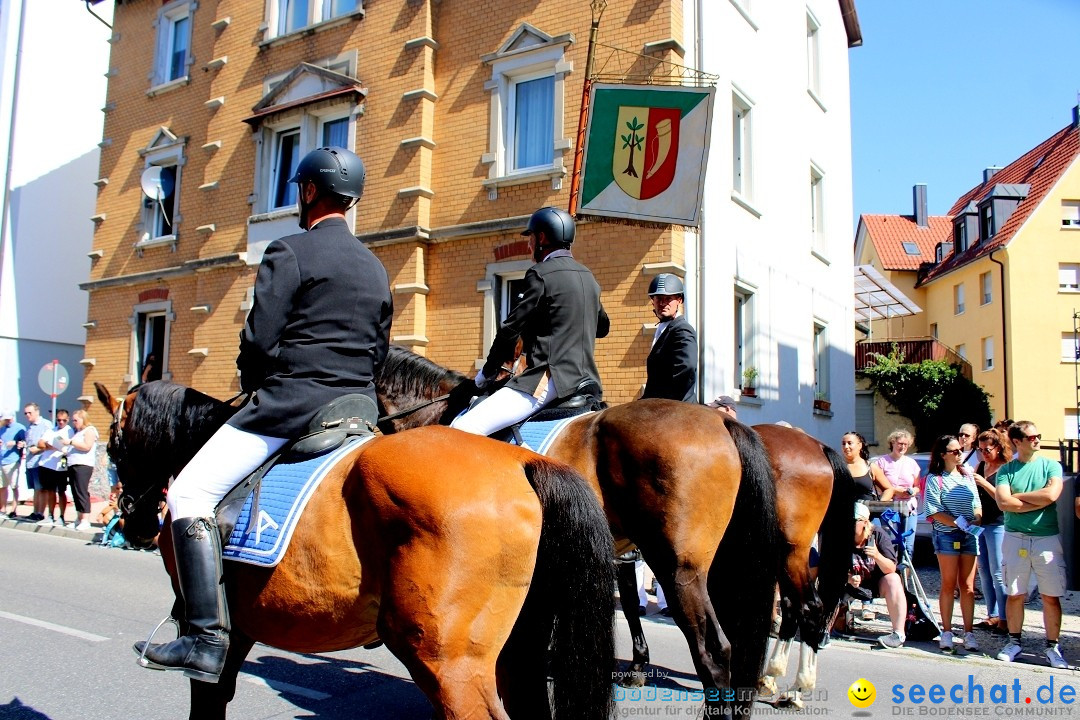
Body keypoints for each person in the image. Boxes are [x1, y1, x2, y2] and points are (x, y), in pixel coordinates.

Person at [134, 146, 393, 682]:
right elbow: (378, 352)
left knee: (190, 493)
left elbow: (258, 343)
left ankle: (205, 638)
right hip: (358, 410)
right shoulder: (374, 266)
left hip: (292, 407)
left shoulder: (289, 251)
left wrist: (256, 387)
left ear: (308, 191)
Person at [451, 207, 609, 436]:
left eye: (531, 238)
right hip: (588, 380)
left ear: (542, 238)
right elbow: (602, 328)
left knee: (462, 428)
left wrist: (486, 374)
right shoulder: (588, 276)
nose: (529, 245)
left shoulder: (540, 273)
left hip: (551, 379)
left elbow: (510, 330)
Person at [993, 422, 1068, 669]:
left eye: (1038, 435)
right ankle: (1014, 641)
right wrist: (1035, 500)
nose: (1037, 439)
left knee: (1051, 595)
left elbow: (1051, 495)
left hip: (1046, 537)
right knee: (1015, 593)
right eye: (1031, 436)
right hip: (1015, 537)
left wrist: (1019, 499)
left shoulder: (1051, 465)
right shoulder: (1006, 471)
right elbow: (1003, 503)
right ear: (1017, 441)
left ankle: (1052, 646)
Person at [924, 434, 982, 653]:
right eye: (955, 451)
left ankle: (969, 632)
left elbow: (976, 503)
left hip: (969, 535)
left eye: (961, 451)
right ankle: (946, 631)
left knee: (967, 586)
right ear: (943, 455)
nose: (959, 455)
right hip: (947, 535)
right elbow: (934, 511)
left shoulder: (967, 475)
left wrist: (976, 519)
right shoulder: (935, 478)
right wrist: (958, 523)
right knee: (949, 584)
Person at [847, 502, 907, 648]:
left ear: (865, 522)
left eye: (854, 520)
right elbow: (831, 567)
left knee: (893, 579)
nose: (848, 524)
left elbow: (891, 568)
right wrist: (848, 578)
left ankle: (898, 634)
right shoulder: (841, 537)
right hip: (849, 584)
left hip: (876, 583)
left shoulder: (878, 535)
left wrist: (877, 556)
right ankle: (824, 628)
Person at [972, 428, 1011, 635]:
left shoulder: (1005, 469)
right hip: (981, 524)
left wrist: (984, 483)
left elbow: (1004, 497)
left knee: (998, 572)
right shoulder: (980, 465)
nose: (984, 453)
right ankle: (992, 614)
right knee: (984, 571)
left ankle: (1005, 619)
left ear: (998, 447)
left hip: (998, 523)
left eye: (987, 449)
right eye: (980, 449)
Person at [641, 273, 697, 402]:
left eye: (668, 298)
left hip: (677, 406)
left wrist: (659, 402)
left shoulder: (682, 329)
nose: (662, 303)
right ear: (652, 301)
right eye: (658, 298)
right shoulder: (664, 330)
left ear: (679, 300)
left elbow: (686, 368)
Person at [873, 429, 921, 561]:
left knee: (907, 547)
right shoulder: (881, 462)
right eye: (900, 443)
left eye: (906, 444)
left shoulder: (912, 464)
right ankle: (890, 575)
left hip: (909, 507)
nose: (903, 447)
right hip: (889, 508)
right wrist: (894, 490)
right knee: (888, 544)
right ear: (893, 442)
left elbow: (918, 487)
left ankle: (905, 578)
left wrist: (912, 491)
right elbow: (876, 485)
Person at [62, 409, 98, 531]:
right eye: (73, 420)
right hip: (73, 463)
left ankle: (85, 519)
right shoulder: (78, 432)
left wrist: (71, 442)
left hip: (83, 465)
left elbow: (87, 446)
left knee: (82, 491)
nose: (74, 423)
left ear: (83, 419)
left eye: (76, 420)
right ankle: (79, 517)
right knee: (75, 491)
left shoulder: (90, 430)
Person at [36, 409, 72, 527]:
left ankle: (62, 516)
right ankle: (51, 515)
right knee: (50, 490)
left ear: (68, 419)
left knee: (61, 491)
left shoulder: (69, 431)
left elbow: (68, 446)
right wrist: (52, 446)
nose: (61, 422)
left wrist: (50, 445)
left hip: (60, 466)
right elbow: (40, 444)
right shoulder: (51, 430)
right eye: (58, 420)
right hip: (47, 464)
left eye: (63, 420)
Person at [19, 403, 53, 522]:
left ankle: (40, 513)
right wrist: (24, 444)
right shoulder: (29, 427)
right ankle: (35, 511)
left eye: (30, 413)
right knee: (35, 489)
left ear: (37, 412)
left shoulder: (45, 425)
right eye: (25, 413)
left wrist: (38, 449)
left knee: (42, 489)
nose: (27, 415)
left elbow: (51, 443)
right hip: (30, 462)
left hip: (41, 462)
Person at [840, 431, 894, 503]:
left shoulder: (871, 467)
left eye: (850, 443)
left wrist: (879, 504)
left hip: (868, 512)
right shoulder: (838, 467)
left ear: (860, 446)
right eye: (843, 444)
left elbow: (889, 489)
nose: (846, 447)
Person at [1, 410, 26, 518]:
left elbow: (25, 442)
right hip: (1, 460)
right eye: (5, 419)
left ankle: (13, 510)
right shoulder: (1, 428)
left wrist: (15, 443)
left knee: (14, 486)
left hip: (13, 460)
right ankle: (2, 509)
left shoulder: (20, 428)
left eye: (8, 419)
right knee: (2, 487)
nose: (7, 421)